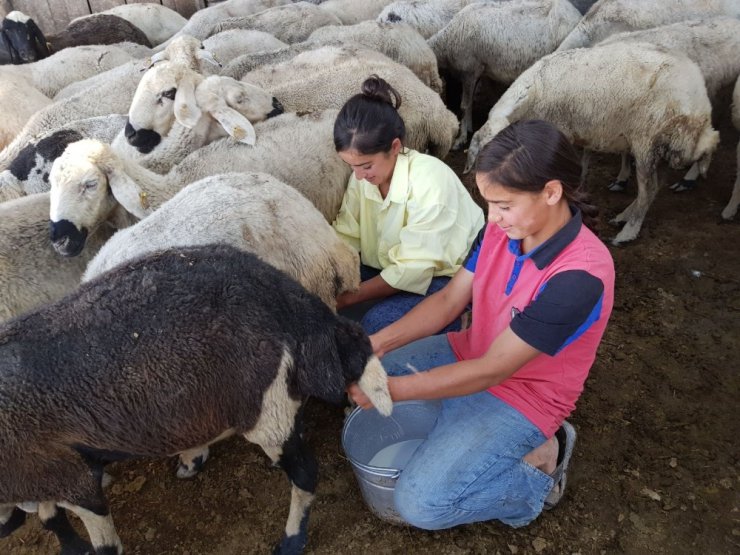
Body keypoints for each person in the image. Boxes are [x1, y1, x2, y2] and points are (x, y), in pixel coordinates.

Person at [347, 119, 615, 529]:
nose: (493, 217)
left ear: (551, 192)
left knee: (421, 506)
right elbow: (450, 299)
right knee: (368, 375)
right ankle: (458, 426)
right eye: (489, 203)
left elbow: (495, 369)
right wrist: (374, 345)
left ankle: (538, 477)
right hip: (470, 351)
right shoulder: (499, 230)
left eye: (504, 205)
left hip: (526, 396)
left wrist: (392, 391)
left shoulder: (579, 277)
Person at [332, 75, 484, 334]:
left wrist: (348, 297)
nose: (358, 176)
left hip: (445, 279)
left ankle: (464, 319)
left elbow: (414, 269)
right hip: (387, 266)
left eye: (366, 166)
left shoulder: (430, 179)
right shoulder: (364, 179)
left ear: (394, 147)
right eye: (351, 166)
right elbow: (346, 234)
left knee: (377, 325)